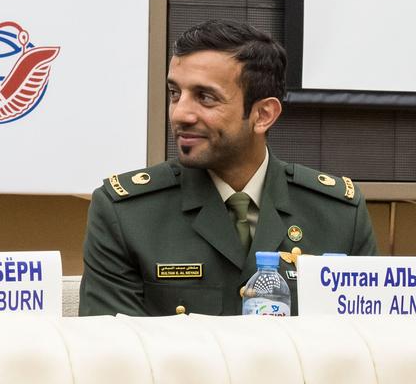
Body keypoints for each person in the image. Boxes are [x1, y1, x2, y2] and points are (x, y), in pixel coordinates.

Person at [80, 19, 377, 316]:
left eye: (205, 97)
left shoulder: (339, 216)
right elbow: (113, 354)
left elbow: (368, 345)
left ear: (263, 115)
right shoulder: (126, 214)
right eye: (175, 94)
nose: (180, 113)